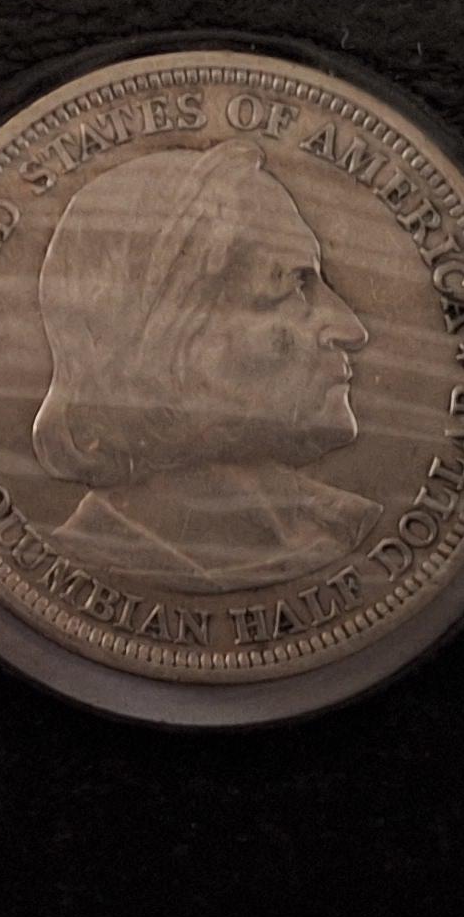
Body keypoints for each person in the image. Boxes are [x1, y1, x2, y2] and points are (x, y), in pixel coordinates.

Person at [28, 139, 379, 594]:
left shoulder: (344, 525)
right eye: (295, 285)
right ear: (162, 338)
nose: (352, 330)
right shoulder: (86, 562)